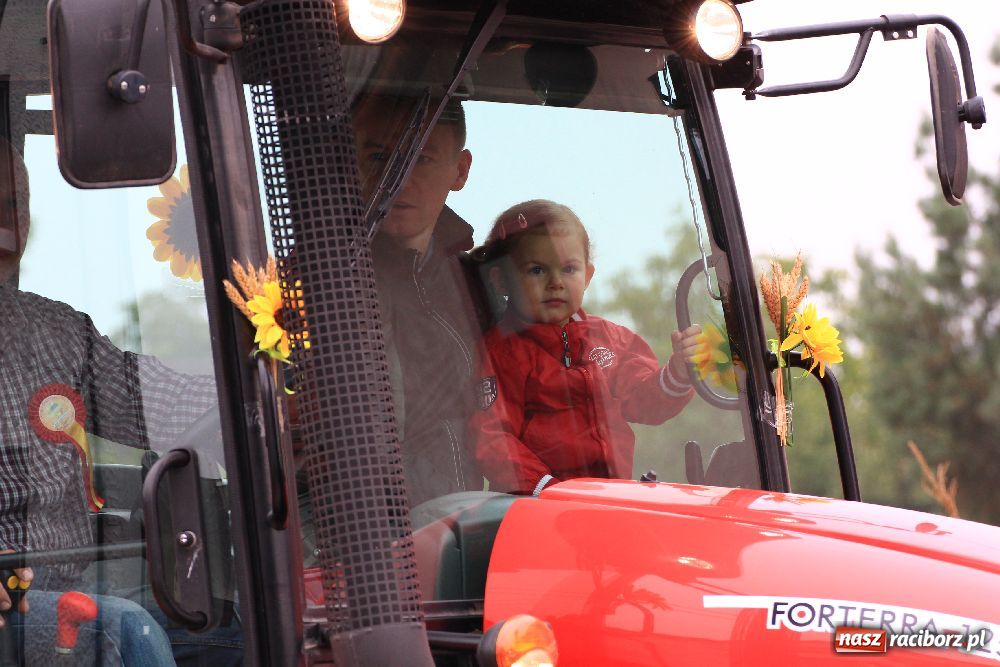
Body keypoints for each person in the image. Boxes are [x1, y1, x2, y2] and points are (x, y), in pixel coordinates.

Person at [0, 138, 240, 664]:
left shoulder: (53, 331)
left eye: (14, 207)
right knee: (126, 633)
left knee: (238, 632)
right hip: (11, 602)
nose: (5, 228)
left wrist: (265, 408)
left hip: (75, 586)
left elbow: (155, 403)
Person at [470, 200, 701, 494]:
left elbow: (645, 402)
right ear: (501, 280)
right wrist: (547, 489)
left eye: (568, 269)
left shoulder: (611, 340)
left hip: (605, 500)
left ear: (587, 276)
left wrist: (678, 372)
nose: (556, 283)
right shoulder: (502, 352)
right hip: (533, 505)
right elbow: (493, 437)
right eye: (537, 270)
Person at [353, 94, 488, 507]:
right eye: (380, 157)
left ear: (460, 170)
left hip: (466, 530)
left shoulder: (484, 287)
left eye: (421, 158)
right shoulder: (317, 286)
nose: (398, 178)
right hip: (365, 539)